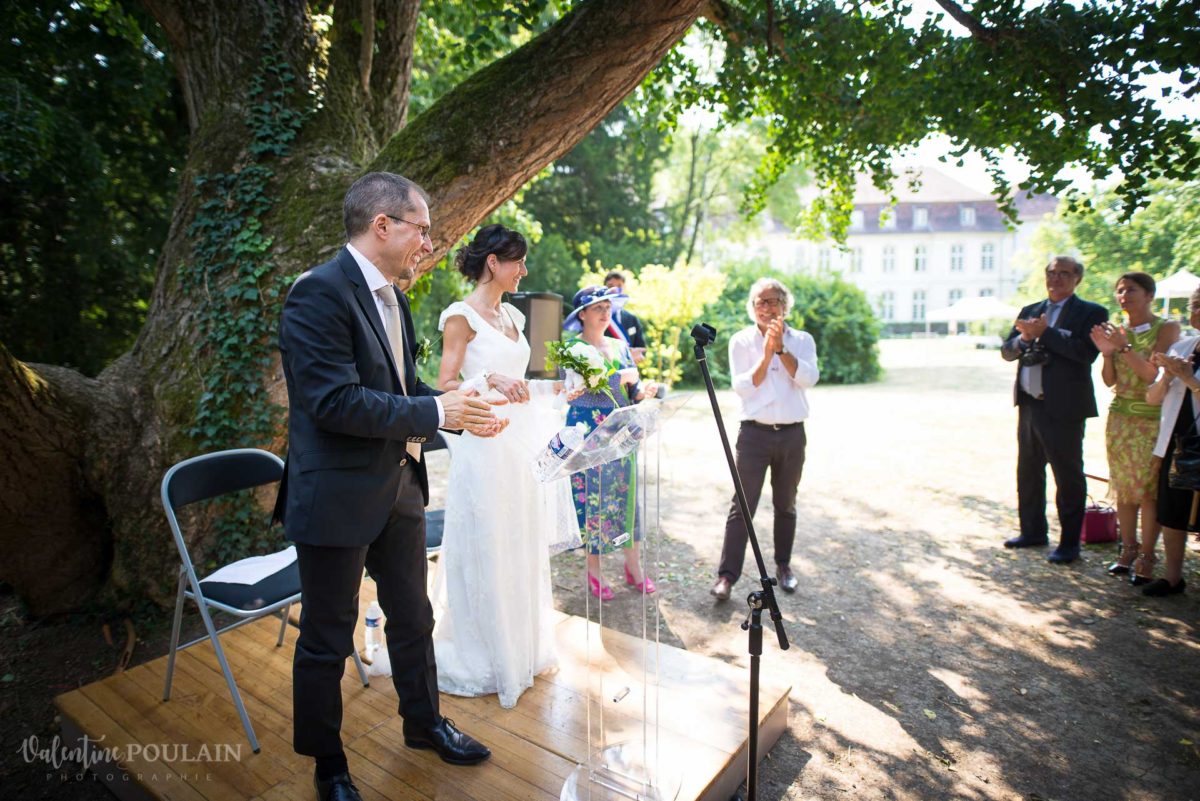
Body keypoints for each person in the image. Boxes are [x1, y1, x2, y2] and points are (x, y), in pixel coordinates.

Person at [275, 172, 498, 801]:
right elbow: (334, 401)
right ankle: (328, 764)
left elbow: (399, 394)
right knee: (326, 633)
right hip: (336, 496)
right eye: (422, 228)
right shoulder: (316, 293)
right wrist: (434, 415)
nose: (429, 243)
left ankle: (424, 724)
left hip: (399, 485)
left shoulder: (396, 300)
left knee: (413, 615)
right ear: (383, 225)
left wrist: (460, 403)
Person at [430, 224, 581, 709]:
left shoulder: (516, 315)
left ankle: (522, 647)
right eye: (517, 260)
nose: (524, 270)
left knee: (520, 540)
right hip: (483, 442)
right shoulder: (460, 316)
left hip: (521, 444)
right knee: (489, 542)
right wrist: (487, 376)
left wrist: (562, 387)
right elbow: (446, 384)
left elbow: (529, 383)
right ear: (493, 262)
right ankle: (485, 653)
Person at [710, 278, 819, 602]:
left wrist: (781, 349)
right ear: (752, 307)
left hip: (791, 434)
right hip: (754, 435)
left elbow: (808, 378)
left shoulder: (802, 340)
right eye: (761, 301)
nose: (768, 307)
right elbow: (743, 385)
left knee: (786, 504)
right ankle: (726, 576)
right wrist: (767, 352)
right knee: (742, 507)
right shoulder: (741, 341)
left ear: (785, 306)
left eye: (774, 301)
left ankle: (783, 567)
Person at [1001, 256, 1109, 564]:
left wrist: (1044, 334)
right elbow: (1007, 352)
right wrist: (1024, 337)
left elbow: (1085, 354)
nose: (1056, 278)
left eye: (1064, 273)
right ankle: (1033, 531)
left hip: (1064, 407)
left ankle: (1069, 544)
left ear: (1077, 279)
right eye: (1051, 272)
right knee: (1028, 472)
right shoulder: (1030, 311)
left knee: (1068, 476)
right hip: (1030, 403)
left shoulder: (1091, 312)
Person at [563, 285, 659, 600]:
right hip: (588, 433)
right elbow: (589, 387)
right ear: (583, 315)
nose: (605, 313)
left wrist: (644, 390)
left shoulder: (620, 347)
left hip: (620, 432)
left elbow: (631, 392)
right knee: (595, 498)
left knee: (627, 497)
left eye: (608, 307)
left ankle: (634, 568)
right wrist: (625, 378)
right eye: (597, 308)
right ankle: (594, 572)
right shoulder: (572, 348)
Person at [1089, 273, 1179, 578]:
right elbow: (1110, 380)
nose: (1124, 295)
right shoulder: (1119, 331)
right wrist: (1106, 353)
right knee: (1124, 489)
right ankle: (1127, 549)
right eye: (1120, 290)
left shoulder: (1166, 327)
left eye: (1131, 289)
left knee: (1147, 492)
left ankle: (1148, 557)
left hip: (1151, 419)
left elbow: (1150, 375)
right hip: (1120, 419)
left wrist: (1124, 348)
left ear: (1150, 295)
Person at [1142, 285, 1200, 597]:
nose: (1197, 313)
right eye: (1196, 306)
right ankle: (1173, 577)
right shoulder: (1183, 346)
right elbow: (1152, 399)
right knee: (1172, 514)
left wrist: (1191, 379)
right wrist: (1167, 376)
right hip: (1174, 446)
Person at [603, 270, 647, 362]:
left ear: (624, 288)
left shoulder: (632, 319)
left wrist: (636, 356)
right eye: (611, 286)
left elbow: (642, 350)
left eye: (619, 286)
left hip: (629, 371)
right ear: (604, 288)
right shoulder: (594, 317)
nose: (615, 289)